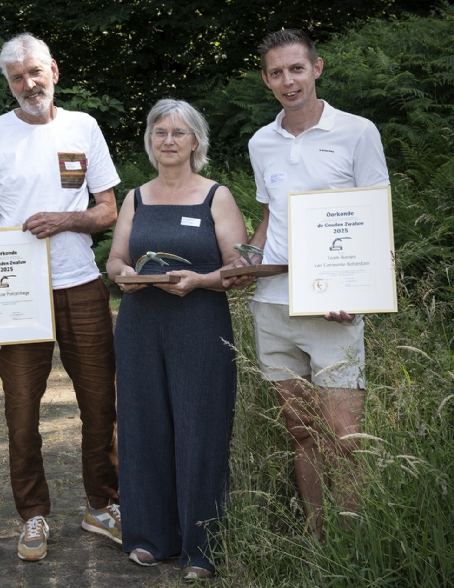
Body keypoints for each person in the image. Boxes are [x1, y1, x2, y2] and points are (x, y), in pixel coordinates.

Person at [225, 29, 389, 538]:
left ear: (316, 68)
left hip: (332, 309)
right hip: (272, 306)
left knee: (345, 437)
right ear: (266, 80)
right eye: (276, 72)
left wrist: (357, 293)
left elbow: (375, 218)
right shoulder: (261, 141)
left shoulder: (358, 132)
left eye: (296, 69)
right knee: (301, 432)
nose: (287, 81)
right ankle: (318, 536)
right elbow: (270, 218)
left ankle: (354, 542)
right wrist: (245, 262)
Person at [0, 33, 120, 562]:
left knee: (101, 404)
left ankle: (104, 506)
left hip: (80, 284)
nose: (28, 84)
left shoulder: (84, 127)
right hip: (15, 294)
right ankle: (33, 515)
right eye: (16, 77)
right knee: (20, 412)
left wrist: (65, 220)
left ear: (53, 69)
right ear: (7, 83)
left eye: (35, 72)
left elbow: (108, 210)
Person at [106, 99, 248, 579]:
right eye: (160, 131)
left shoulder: (216, 196)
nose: (169, 140)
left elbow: (238, 268)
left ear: (195, 142)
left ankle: (201, 547)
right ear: (150, 140)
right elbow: (115, 258)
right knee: (143, 425)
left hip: (199, 322)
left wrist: (201, 280)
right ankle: (151, 537)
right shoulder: (136, 197)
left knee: (199, 427)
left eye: (179, 133)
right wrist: (122, 274)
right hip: (140, 323)